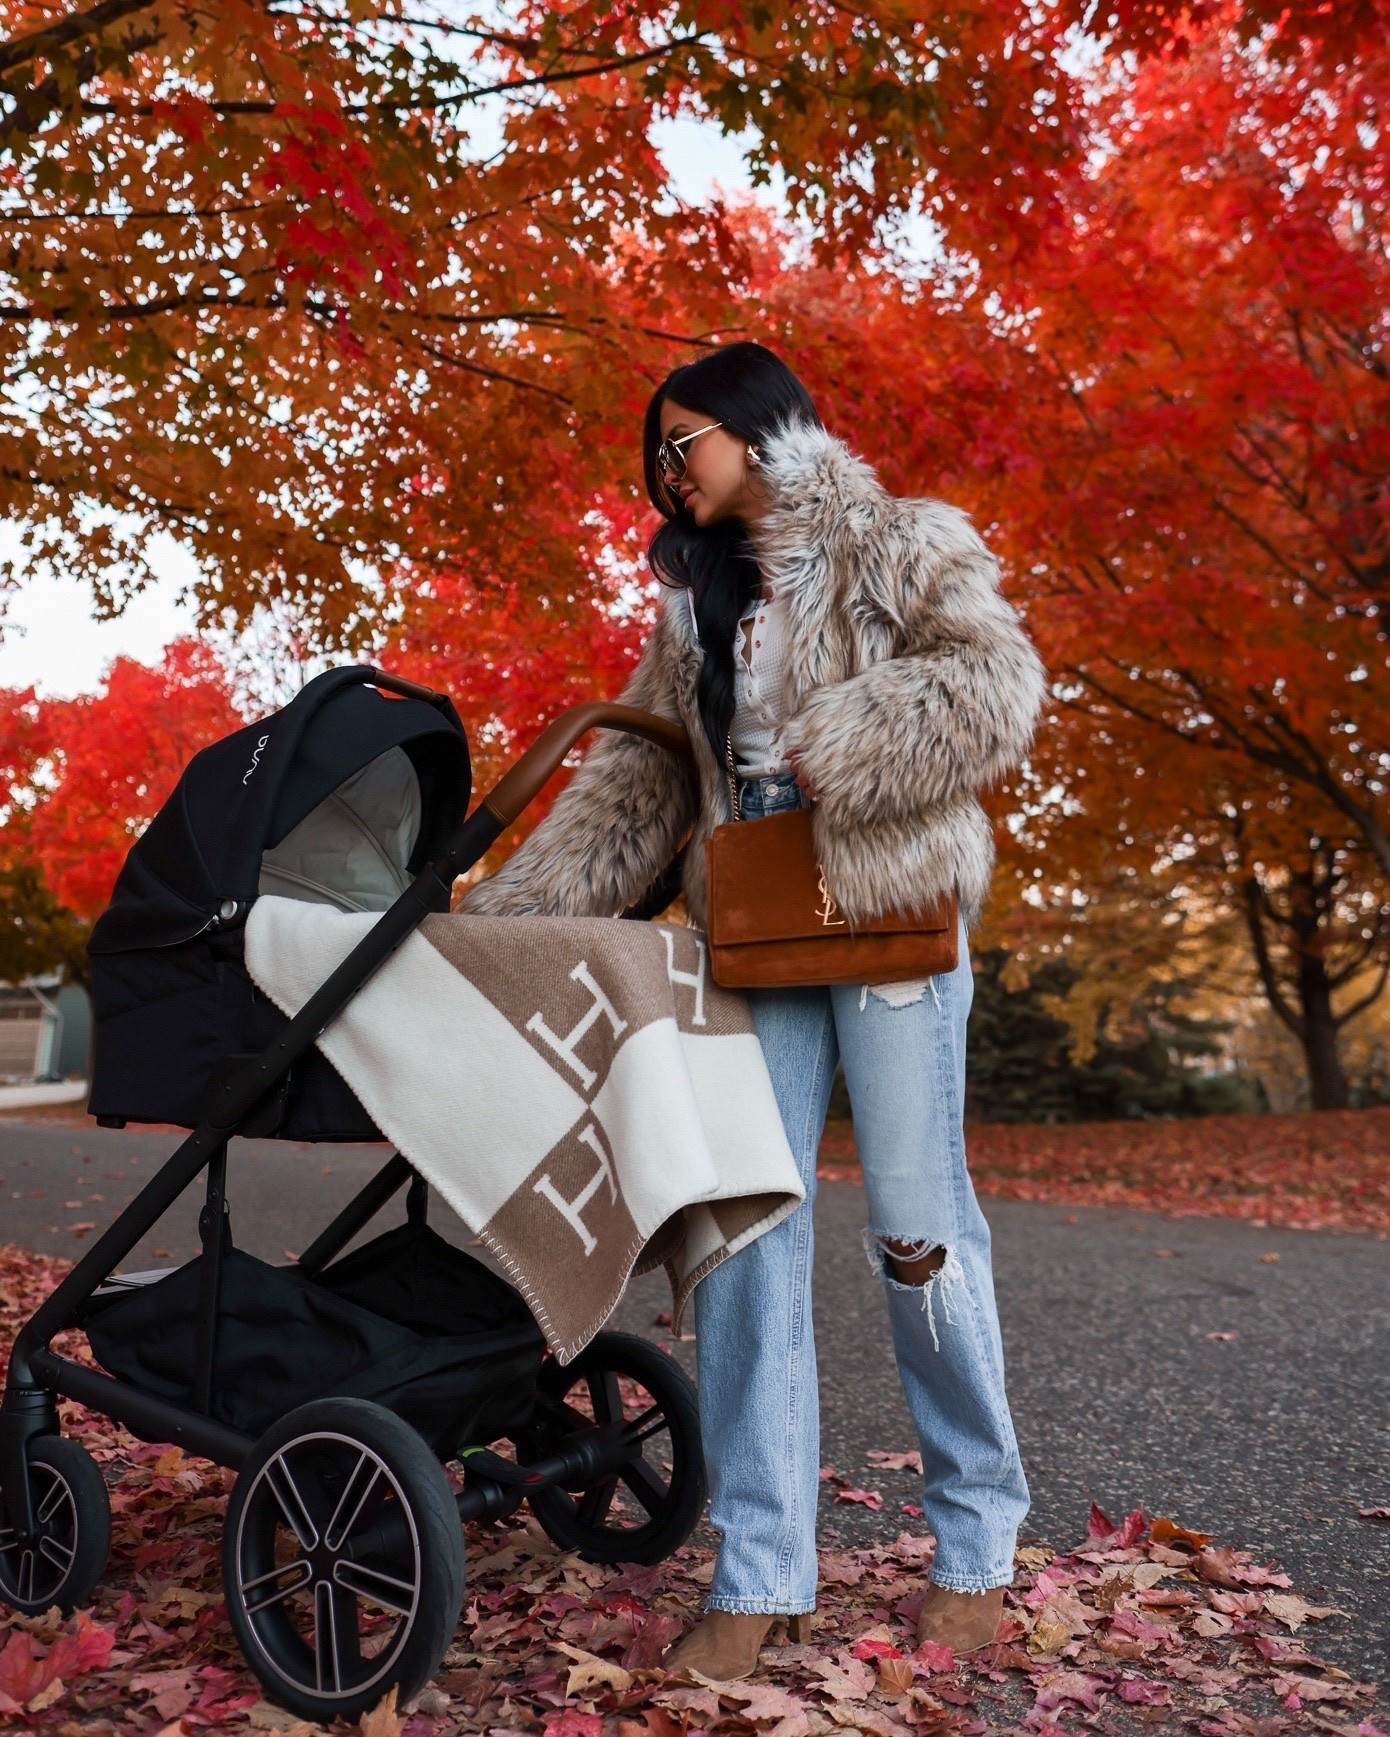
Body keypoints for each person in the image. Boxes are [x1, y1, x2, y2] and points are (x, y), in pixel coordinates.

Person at [458, 340, 1048, 1681]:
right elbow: (637, 789)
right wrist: (498, 922)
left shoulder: (901, 541)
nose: (668, 472)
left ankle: (972, 1548)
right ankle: (762, 1568)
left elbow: (996, 684)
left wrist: (839, 741)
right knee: (735, 1241)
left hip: (887, 911)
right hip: (756, 935)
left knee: (916, 1232)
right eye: (656, 453)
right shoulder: (693, 608)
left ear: (757, 425)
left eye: (686, 441)